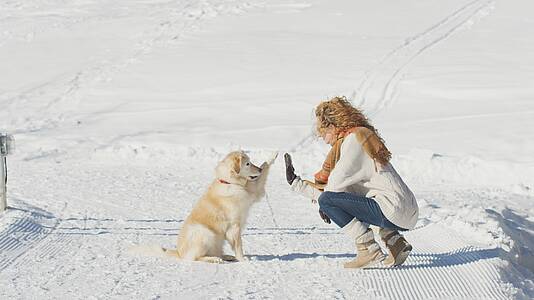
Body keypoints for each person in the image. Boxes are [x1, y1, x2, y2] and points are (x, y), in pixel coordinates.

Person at [284, 96, 418, 268]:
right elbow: (346, 194)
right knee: (355, 199)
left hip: (394, 210)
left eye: (324, 134)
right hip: (406, 210)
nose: (324, 140)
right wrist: (297, 184)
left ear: (333, 126)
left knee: (328, 201)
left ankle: (368, 249)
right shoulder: (361, 136)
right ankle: (395, 242)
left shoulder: (353, 141)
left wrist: (321, 202)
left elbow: (332, 190)